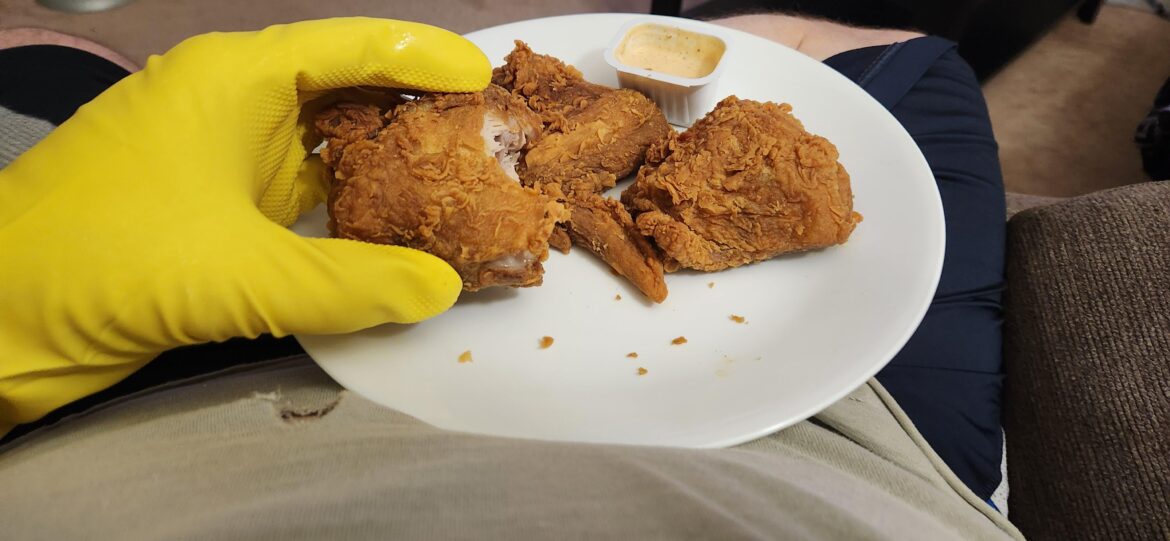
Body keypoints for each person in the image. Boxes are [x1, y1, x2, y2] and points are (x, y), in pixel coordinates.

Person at [0, 15, 1020, 540]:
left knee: (40, 70)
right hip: (843, 483)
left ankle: (46, 55)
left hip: (123, 439)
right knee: (923, 67)